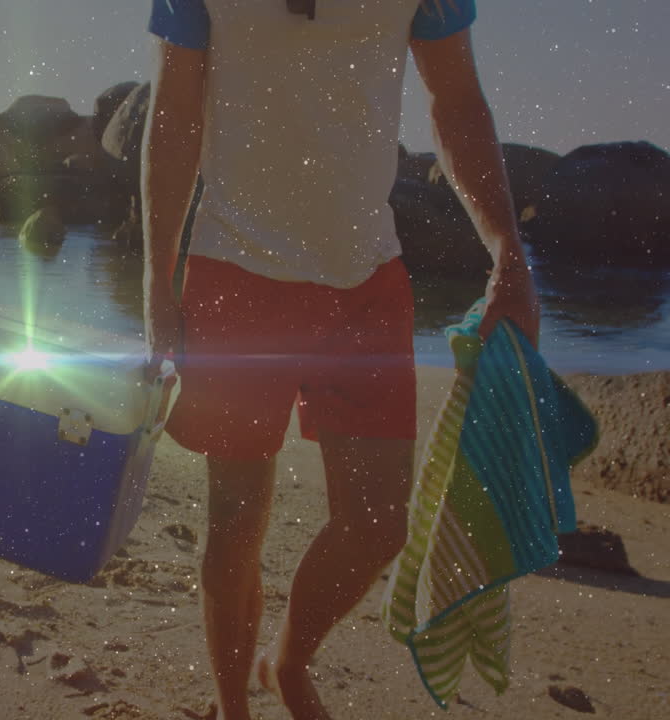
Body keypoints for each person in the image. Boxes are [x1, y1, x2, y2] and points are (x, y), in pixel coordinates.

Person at [141, 2, 539, 719]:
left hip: (365, 276)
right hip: (234, 270)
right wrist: (158, 277)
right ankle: (233, 708)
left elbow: (455, 99)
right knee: (235, 523)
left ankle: (288, 659)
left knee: (379, 523)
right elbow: (175, 111)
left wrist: (508, 250)